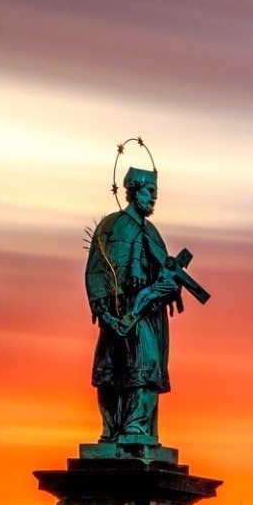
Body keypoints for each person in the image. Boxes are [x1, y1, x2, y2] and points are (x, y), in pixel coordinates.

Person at [85, 167, 181, 445]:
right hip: (118, 312)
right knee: (112, 370)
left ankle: (137, 428)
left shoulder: (152, 232)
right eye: (150, 192)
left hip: (148, 313)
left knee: (147, 366)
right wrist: (104, 311)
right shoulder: (111, 225)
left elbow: (165, 270)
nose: (153, 198)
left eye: (155, 193)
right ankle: (114, 429)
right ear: (134, 190)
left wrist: (169, 286)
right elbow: (96, 269)